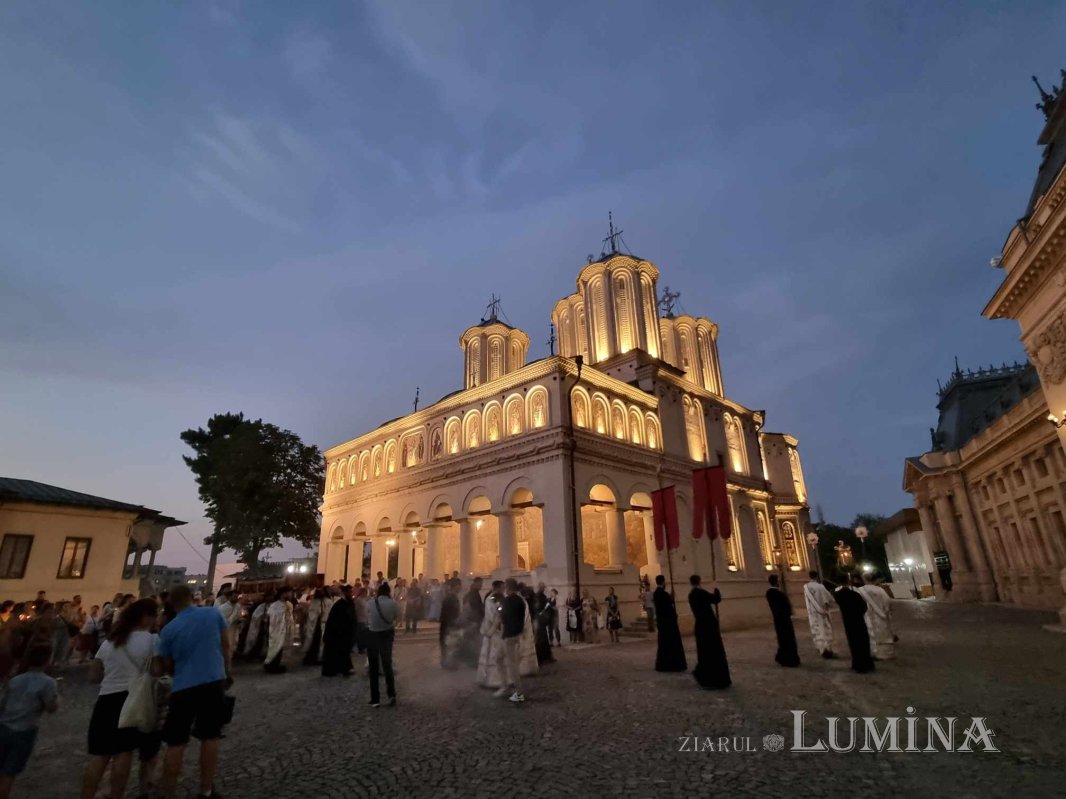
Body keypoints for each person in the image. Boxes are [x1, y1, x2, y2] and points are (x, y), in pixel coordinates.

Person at [154, 584, 231, 799]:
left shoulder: (169, 629)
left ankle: (168, 793)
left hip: (183, 687)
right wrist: (228, 671)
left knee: (175, 742)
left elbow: (167, 665)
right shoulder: (212, 613)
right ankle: (206, 790)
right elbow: (226, 646)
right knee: (210, 737)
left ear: (171, 603)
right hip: (213, 681)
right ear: (192, 597)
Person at [81, 598, 158, 799]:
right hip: (132, 699)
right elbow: (158, 670)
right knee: (123, 754)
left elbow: (93, 675)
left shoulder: (109, 642)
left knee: (99, 757)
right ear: (145, 618)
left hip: (106, 701)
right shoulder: (152, 640)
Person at [0, 643, 58, 799]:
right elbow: (51, 707)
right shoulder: (48, 683)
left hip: (4, 726)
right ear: (47, 660)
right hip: (25, 731)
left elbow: (2, 704)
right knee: (9, 772)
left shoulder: (15, 680)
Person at [688, 576, 730, 689]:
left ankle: (703, 673)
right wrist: (715, 587)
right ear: (699, 582)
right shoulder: (701, 593)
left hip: (700, 626)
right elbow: (716, 599)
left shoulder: (691, 595)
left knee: (703, 652)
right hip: (709, 626)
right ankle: (714, 677)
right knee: (713, 651)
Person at [834, 577, 875, 673]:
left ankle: (857, 663)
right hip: (859, 621)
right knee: (863, 643)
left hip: (848, 623)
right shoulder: (856, 595)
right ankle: (866, 663)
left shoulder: (839, 596)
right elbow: (864, 607)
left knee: (853, 644)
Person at [366, 582, 398, 707]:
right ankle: (391, 694)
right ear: (389, 592)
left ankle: (375, 699)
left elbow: (368, 616)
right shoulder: (393, 603)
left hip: (373, 634)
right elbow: (396, 617)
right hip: (387, 634)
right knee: (387, 665)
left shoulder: (370, 602)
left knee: (373, 667)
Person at [496, 579, 527, 703]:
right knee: (498, 658)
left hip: (508, 635)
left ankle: (519, 692)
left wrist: (499, 610)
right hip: (516, 633)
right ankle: (504, 685)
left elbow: (503, 617)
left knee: (512, 664)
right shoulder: (521, 600)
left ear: (508, 588)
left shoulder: (507, 601)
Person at [857, 573, 896, 660]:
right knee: (884, 633)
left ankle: (873, 652)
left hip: (867, 614)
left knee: (871, 633)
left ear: (864, 579)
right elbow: (887, 601)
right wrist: (886, 611)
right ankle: (886, 653)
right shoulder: (880, 589)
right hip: (881, 615)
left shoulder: (860, 590)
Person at [653, 575, 687, 672]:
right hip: (669, 624)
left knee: (663, 644)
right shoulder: (664, 594)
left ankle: (663, 664)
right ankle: (673, 664)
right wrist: (672, 596)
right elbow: (669, 604)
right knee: (672, 643)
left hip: (661, 623)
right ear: (663, 582)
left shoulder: (656, 593)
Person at [321, 585, 356, 677]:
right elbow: (336, 619)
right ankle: (340, 669)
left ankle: (343, 668)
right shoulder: (340, 604)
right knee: (338, 651)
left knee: (343, 650)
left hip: (344, 632)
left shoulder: (347, 603)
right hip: (338, 632)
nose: (351, 593)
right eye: (349, 592)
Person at [766, 575, 800, 668]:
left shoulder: (769, 593)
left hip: (777, 619)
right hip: (784, 619)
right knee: (788, 639)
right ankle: (789, 659)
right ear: (776, 582)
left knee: (781, 638)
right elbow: (786, 606)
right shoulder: (779, 594)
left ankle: (782, 656)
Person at [477, 582, 505, 688]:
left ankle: (502, 679)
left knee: (500, 654)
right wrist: (497, 621)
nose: (503, 590)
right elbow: (490, 615)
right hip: (492, 630)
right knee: (492, 653)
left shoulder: (502, 598)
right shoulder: (490, 599)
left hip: (500, 630)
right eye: (502, 588)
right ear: (497, 588)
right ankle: (492, 679)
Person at [802, 571, 835, 658]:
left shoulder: (806, 587)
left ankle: (819, 647)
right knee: (823, 629)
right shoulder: (820, 587)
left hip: (812, 612)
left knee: (816, 629)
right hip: (821, 612)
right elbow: (828, 599)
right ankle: (826, 649)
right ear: (817, 576)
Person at [265, 587, 295, 674]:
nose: (291, 595)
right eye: (290, 593)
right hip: (277, 631)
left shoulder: (288, 604)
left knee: (282, 648)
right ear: (284, 594)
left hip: (285, 630)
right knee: (275, 647)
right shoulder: (275, 605)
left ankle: (277, 664)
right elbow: (273, 619)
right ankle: (271, 665)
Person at [302, 589, 330, 666]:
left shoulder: (327, 601)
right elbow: (311, 614)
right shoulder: (314, 602)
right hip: (315, 626)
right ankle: (311, 658)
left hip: (322, 624)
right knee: (313, 642)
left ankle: (319, 657)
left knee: (321, 642)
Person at [439, 579, 462, 668]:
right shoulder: (450, 598)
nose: (460, 588)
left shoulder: (452, 597)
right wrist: (454, 624)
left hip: (448, 625)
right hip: (449, 626)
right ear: (455, 586)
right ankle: (448, 662)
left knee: (448, 644)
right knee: (449, 644)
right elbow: (449, 614)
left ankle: (447, 662)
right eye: (459, 585)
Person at [353, 587, 370, 656]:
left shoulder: (364, 600)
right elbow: (356, 610)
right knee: (360, 635)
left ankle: (362, 648)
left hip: (364, 619)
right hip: (360, 619)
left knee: (363, 635)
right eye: (365, 592)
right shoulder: (358, 600)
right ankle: (360, 648)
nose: (366, 594)